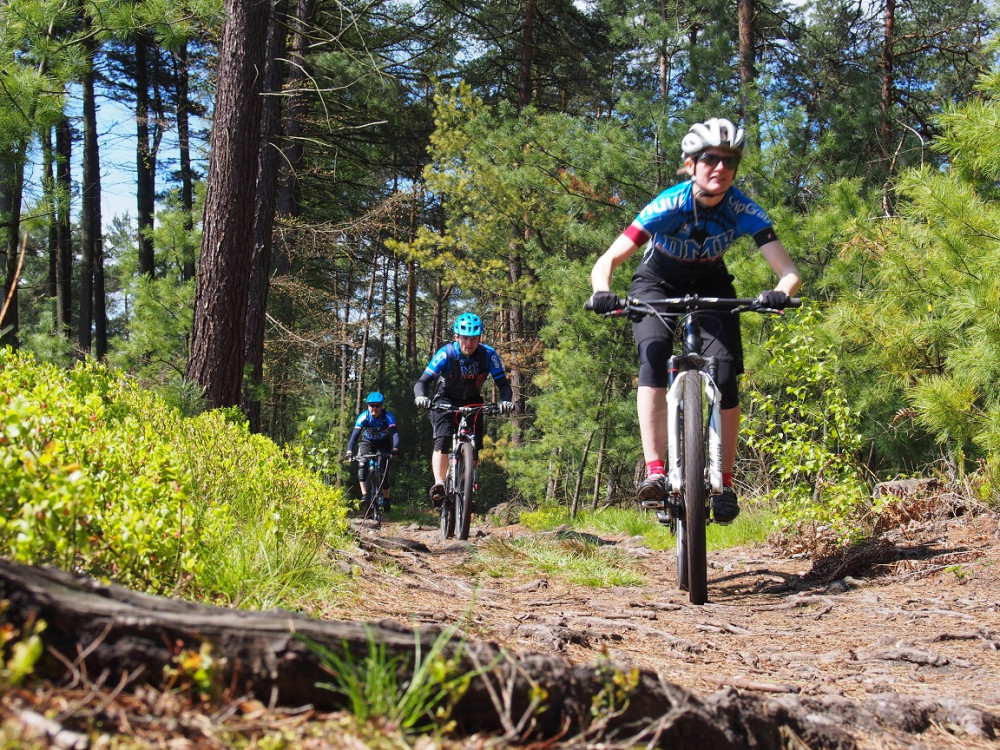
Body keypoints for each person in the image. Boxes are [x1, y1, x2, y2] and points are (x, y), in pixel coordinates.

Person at [587, 116, 801, 525]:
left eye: (729, 160)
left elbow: (789, 273)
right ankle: (655, 473)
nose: (719, 167)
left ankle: (724, 481)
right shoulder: (668, 204)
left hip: (711, 282)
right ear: (690, 164)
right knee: (652, 360)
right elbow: (608, 260)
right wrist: (602, 292)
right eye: (709, 159)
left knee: (724, 376)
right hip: (656, 281)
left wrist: (780, 292)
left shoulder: (743, 209)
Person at [413, 312, 515, 507]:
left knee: (475, 444)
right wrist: (420, 397)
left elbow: (503, 385)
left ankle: (468, 488)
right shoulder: (446, 353)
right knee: (442, 439)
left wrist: (506, 401)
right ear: (456, 336)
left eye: (474, 338)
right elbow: (422, 382)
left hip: (472, 401)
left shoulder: (488, 355)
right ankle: (440, 484)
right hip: (444, 400)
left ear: (479, 338)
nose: (469, 343)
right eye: (465, 338)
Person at [345, 392, 399, 513]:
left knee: (383, 471)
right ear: (368, 406)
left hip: (383, 444)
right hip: (367, 442)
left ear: (381, 406)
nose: (374, 408)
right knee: (362, 464)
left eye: (377, 405)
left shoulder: (387, 417)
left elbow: (394, 433)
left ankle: (386, 498)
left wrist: (395, 449)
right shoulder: (363, 417)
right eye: (371, 405)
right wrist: (349, 451)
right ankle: (365, 496)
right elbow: (355, 436)